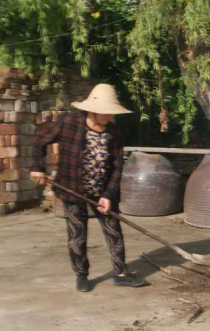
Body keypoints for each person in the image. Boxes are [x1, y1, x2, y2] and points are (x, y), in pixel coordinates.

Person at [30, 84, 145, 292]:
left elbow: (117, 167)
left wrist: (108, 195)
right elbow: (39, 141)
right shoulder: (69, 123)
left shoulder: (114, 133)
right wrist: (37, 168)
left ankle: (120, 274)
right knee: (77, 235)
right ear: (92, 109)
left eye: (111, 112)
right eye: (104, 112)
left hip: (102, 192)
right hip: (72, 189)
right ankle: (81, 275)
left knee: (114, 231)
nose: (108, 116)